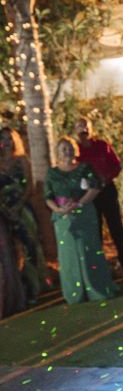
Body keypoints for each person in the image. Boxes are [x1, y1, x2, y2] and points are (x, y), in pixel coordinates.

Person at [44, 137, 116, 304]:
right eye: (63, 148)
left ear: (74, 149)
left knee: (88, 251)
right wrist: (59, 210)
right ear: (58, 152)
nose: (67, 150)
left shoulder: (84, 168)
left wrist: (79, 204)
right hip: (62, 217)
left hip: (84, 214)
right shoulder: (52, 173)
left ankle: (97, 289)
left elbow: (95, 187)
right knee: (68, 255)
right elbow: (47, 197)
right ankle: (74, 293)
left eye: (69, 147)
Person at [74, 118, 123, 280]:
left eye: (86, 126)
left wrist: (106, 177)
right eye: (80, 126)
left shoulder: (102, 145)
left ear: (91, 128)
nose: (83, 129)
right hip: (90, 196)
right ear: (75, 130)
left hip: (107, 190)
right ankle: (101, 273)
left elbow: (116, 165)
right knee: (95, 233)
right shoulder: (76, 151)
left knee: (117, 230)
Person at [0, 127, 46, 301]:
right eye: (3, 138)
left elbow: (29, 187)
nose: (6, 142)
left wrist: (19, 206)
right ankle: (20, 290)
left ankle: (35, 287)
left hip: (23, 209)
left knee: (29, 246)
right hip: (4, 212)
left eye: (9, 138)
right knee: (12, 250)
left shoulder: (21, 160)